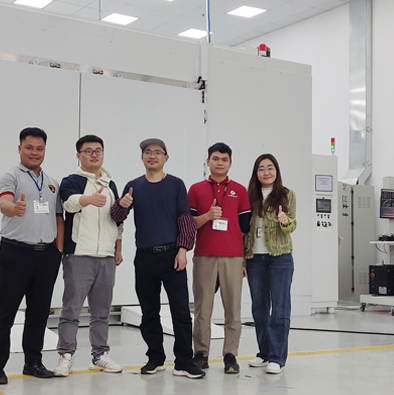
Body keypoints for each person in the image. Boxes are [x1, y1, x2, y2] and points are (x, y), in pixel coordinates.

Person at [111, 138, 205, 379]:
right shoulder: (133, 186)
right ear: (142, 157)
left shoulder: (176, 184)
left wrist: (183, 250)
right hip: (145, 258)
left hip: (172, 255)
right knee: (149, 312)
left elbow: (185, 218)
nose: (152, 156)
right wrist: (122, 204)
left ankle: (183, 361)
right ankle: (155, 358)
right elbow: (117, 217)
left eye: (157, 152)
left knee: (180, 311)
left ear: (166, 158)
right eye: (148, 152)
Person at [0, 127, 64, 384]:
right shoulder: (10, 177)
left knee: (39, 312)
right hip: (16, 253)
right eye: (29, 147)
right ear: (20, 148)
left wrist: (58, 249)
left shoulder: (52, 183)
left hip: (46, 255)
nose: (34, 152)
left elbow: (58, 217)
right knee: (5, 311)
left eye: (39, 148)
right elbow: (4, 203)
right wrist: (14, 208)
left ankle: (33, 362)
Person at [53, 134, 123, 377]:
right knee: (71, 309)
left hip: (106, 255)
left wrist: (118, 246)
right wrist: (88, 199)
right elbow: (69, 203)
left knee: (101, 311)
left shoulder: (111, 184)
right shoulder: (71, 180)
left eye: (98, 150)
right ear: (78, 155)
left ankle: (99, 355)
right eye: (88, 151)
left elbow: (117, 219)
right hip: (79, 254)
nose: (94, 155)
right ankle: (65, 356)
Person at [188, 142, 251, 373]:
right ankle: (201, 353)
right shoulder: (196, 189)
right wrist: (207, 216)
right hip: (204, 256)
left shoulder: (240, 191)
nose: (220, 163)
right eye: (215, 159)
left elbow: (245, 230)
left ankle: (230, 355)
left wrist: (243, 260)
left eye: (224, 159)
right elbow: (189, 224)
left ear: (230, 163)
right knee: (202, 308)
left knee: (233, 309)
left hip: (232, 257)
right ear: (208, 161)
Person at [244, 153, 296, 375]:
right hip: (254, 259)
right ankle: (264, 353)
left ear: (276, 171)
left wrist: (285, 221)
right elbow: (243, 230)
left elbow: (292, 225)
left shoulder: (286, 194)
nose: (266, 172)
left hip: (280, 257)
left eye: (270, 168)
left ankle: (277, 357)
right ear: (256, 173)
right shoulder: (249, 196)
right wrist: (242, 259)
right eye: (261, 168)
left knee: (280, 307)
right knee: (259, 308)